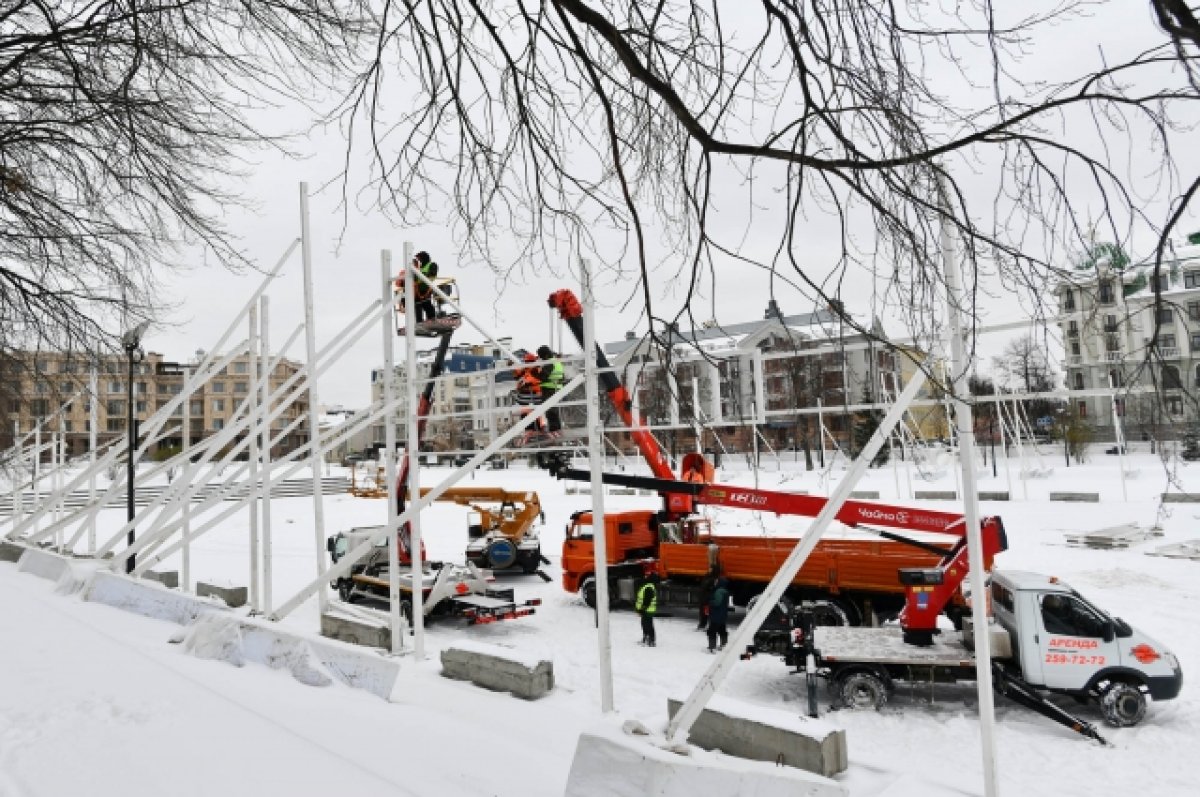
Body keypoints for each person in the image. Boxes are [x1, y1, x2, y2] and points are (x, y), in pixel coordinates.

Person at [535, 345, 564, 436]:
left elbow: (543, 377)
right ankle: (557, 429)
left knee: (550, 410)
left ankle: (554, 429)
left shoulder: (549, 363)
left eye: (541, 356)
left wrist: (535, 372)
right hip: (557, 388)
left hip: (549, 389)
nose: (541, 358)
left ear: (545, 355)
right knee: (554, 410)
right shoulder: (557, 362)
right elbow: (562, 377)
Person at [411, 251, 439, 322]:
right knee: (418, 305)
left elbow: (432, 274)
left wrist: (422, 277)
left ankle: (432, 319)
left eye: (419, 258)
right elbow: (415, 279)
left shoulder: (432, 265)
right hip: (418, 290)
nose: (419, 260)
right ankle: (419, 321)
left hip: (427, 288)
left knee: (426, 304)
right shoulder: (419, 268)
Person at [635, 570, 659, 646]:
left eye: (646, 576)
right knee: (645, 624)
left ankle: (651, 640)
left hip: (647, 610)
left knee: (648, 624)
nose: (645, 577)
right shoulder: (648, 586)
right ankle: (646, 638)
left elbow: (647, 601)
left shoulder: (648, 587)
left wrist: (642, 609)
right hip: (647, 610)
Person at [706, 577, 731, 652]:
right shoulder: (725, 591)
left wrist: (710, 602)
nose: (715, 582)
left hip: (716, 615)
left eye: (716, 581)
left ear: (720, 583)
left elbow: (717, 603)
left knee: (712, 631)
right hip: (722, 615)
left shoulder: (718, 591)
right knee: (722, 630)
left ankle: (712, 647)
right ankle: (724, 645)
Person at [696, 566, 720, 631]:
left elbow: (714, 588)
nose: (709, 570)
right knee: (702, 612)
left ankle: (711, 626)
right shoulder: (706, 576)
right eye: (709, 568)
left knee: (707, 613)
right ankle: (702, 624)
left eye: (711, 569)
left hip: (708, 599)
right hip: (703, 598)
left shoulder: (715, 578)